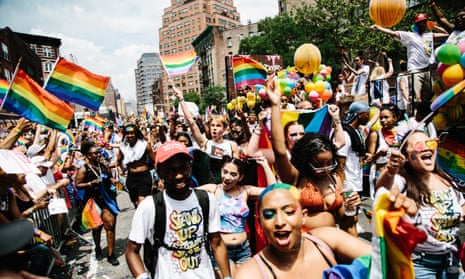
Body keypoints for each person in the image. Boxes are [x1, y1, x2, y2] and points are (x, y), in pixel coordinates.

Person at [265, 77, 360, 235]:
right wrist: (275, 105)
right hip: (306, 246)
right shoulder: (296, 177)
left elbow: (346, 222)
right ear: (305, 161)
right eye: (318, 164)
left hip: (335, 245)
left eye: (329, 163)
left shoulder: (335, 177)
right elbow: (280, 152)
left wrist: (351, 207)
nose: (325, 168)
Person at [125, 141, 231, 279]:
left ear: (190, 167)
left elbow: (216, 242)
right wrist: (142, 276)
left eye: (183, 168)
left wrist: (228, 277)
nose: (179, 175)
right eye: (170, 170)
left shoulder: (207, 200)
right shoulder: (149, 207)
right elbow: (132, 250)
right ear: (159, 171)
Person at [234, 183, 372, 279]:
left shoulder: (327, 240)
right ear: (260, 222)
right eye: (269, 215)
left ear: (303, 216)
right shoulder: (251, 273)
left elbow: (383, 259)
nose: (280, 222)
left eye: (289, 212)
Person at [376, 130, 464, 278]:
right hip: (420, 264)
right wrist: (391, 171)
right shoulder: (403, 180)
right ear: (406, 156)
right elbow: (384, 191)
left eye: (430, 143)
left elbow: (462, 205)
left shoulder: (445, 179)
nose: (426, 147)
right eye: (418, 145)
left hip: (451, 260)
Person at [198, 156, 275, 278]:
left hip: (243, 250)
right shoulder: (213, 189)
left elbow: (273, 191)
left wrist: (265, 165)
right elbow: (186, 193)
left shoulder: (245, 191)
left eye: (233, 174)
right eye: (225, 172)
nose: (227, 177)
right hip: (222, 249)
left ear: (241, 177)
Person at [371, 14, 448, 110]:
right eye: (420, 23)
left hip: (427, 69)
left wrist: (433, 25)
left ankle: (425, 116)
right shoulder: (410, 36)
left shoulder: (430, 35)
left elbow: (447, 34)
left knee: (429, 96)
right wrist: (379, 28)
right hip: (415, 70)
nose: (423, 25)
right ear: (416, 25)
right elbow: (394, 33)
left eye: (424, 22)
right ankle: (412, 117)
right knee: (416, 97)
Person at [75, 141, 120, 266]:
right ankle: (98, 247)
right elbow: (77, 185)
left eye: (98, 152)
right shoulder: (84, 169)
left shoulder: (103, 165)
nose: (98, 155)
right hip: (93, 200)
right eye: (95, 153)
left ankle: (111, 254)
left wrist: (113, 180)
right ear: (88, 155)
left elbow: (109, 177)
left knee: (110, 226)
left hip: (107, 199)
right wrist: (90, 184)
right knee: (97, 227)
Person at [174, 86, 239, 159]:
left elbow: (236, 167)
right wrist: (181, 99)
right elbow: (191, 122)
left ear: (224, 129)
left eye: (218, 126)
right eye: (213, 125)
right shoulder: (205, 143)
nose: (214, 128)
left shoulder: (232, 145)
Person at [366, 105, 403, 198]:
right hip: (382, 175)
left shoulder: (401, 135)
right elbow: (369, 159)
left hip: (399, 176)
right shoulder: (375, 135)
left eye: (386, 117)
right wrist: (378, 154)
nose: (382, 120)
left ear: (395, 118)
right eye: (381, 118)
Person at [116, 123, 156, 207]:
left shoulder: (145, 145)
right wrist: (122, 169)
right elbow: (118, 161)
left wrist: (160, 178)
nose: (130, 136)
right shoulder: (123, 147)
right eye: (127, 134)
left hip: (144, 176)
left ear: (136, 134)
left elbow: (154, 160)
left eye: (132, 133)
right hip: (131, 178)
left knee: (142, 203)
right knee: (136, 205)